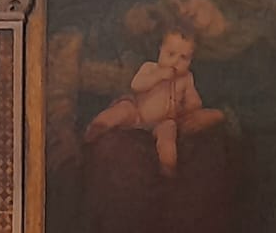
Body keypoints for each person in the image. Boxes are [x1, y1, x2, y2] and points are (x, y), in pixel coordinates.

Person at [83, 26, 223, 176]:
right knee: (123, 109)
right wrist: (158, 76)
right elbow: (136, 85)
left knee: (168, 134)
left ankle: (168, 165)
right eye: (171, 54)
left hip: (163, 122)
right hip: (137, 114)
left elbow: (193, 99)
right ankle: (98, 127)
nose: (175, 62)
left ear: (191, 59)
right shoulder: (150, 67)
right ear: (160, 49)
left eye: (184, 58)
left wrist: (193, 105)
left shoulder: (187, 78)